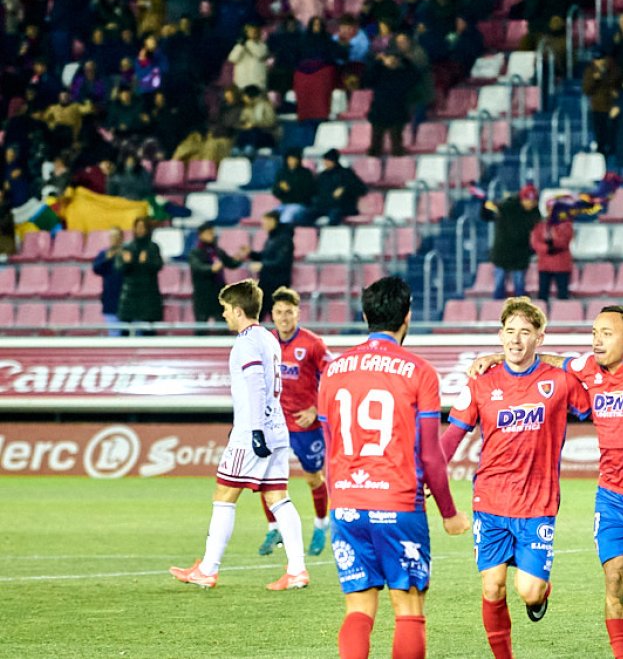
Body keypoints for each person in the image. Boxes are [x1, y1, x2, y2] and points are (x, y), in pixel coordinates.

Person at [469, 285, 623, 658]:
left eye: (606, 333)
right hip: (612, 498)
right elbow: (545, 358)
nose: (596, 340)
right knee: (615, 583)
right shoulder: (588, 371)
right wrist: (497, 358)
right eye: (594, 333)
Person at [317, 275, 470, 659]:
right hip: (398, 503)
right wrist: (449, 513)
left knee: (358, 607)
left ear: (365, 313)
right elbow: (431, 454)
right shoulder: (419, 372)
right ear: (408, 317)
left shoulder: (333, 372)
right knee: (408, 606)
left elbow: (329, 446)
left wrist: (340, 500)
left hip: (347, 503)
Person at [440, 297, 591, 658]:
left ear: (540, 337)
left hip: (537, 504)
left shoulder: (559, 381)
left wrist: (561, 361)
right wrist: (427, 472)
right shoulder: (480, 383)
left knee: (529, 591)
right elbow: (451, 437)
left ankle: (542, 590)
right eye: (510, 332)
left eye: (526, 332)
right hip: (490, 501)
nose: (516, 340)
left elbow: (596, 394)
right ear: (500, 335)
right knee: (492, 587)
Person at [170, 279, 309, 590]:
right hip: (277, 429)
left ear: (237, 310)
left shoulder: (246, 342)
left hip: (254, 432)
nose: (223, 316)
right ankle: (297, 569)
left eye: (224, 310)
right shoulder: (270, 339)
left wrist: (255, 429)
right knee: (279, 498)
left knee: (224, 495)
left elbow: (257, 384)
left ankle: (207, 569)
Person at [257, 287, 333, 557]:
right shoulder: (265, 342)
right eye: (278, 312)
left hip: (305, 424)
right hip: (275, 421)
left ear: (297, 313)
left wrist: (316, 408)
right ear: (272, 315)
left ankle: (321, 524)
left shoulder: (313, 344)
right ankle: (273, 528)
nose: (284, 317)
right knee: (266, 477)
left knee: (313, 477)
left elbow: (332, 375)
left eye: (289, 312)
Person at [482, 184, 541, 300]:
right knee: (499, 284)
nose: (530, 204)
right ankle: (497, 311)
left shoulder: (535, 213)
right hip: (502, 252)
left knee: (519, 285)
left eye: (533, 201)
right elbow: (488, 214)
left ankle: (521, 311)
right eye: (528, 200)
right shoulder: (506, 206)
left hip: (520, 254)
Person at [188, 222, 246, 327]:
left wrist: (240, 257)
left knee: (222, 322)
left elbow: (231, 263)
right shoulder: (195, 252)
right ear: (201, 235)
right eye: (208, 233)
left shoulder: (218, 251)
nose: (211, 235)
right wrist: (211, 269)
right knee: (201, 324)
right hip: (203, 294)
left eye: (212, 233)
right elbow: (197, 267)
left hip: (218, 293)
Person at [116, 217, 164, 333]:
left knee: (149, 329)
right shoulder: (127, 247)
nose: (140, 230)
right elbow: (119, 268)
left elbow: (159, 265)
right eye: (138, 227)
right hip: (130, 293)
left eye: (143, 227)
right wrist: (127, 263)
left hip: (149, 293)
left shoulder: (153, 247)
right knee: (125, 328)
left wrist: (147, 262)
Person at [301, 149, 366, 226]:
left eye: (328, 161)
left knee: (334, 215)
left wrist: (344, 189)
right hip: (324, 206)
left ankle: (330, 235)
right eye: (325, 161)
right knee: (305, 216)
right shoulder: (322, 176)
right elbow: (314, 191)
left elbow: (362, 189)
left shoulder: (346, 173)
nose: (325, 163)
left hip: (342, 206)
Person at [248, 210, 295, 307]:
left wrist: (263, 265)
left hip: (278, 282)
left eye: (265, 222)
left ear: (272, 221)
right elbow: (265, 256)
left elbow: (282, 262)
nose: (263, 225)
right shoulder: (272, 238)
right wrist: (250, 253)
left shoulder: (284, 239)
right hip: (266, 281)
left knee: (274, 313)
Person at [530, 208, 574, 301]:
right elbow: (535, 242)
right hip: (545, 266)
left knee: (562, 295)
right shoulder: (540, 226)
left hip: (561, 266)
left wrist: (551, 243)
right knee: (542, 295)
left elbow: (564, 241)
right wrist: (548, 248)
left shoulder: (566, 225)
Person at [582, 52, 619, 156]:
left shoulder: (612, 69)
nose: (600, 62)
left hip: (611, 108)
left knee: (612, 135)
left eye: (602, 59)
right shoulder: (590, 71)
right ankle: (601, 156)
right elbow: (586, 90)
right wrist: (595, 79)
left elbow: (617, 84)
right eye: (597, 60)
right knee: (600, 135)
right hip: (597, 108)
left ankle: (612, 156)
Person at [91, 227, 125, 336]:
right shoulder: (104, 253)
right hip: (109, 298)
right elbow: (96, 269)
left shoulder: (127, 253)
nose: (114, 239)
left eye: (116, 236)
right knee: (114, 333)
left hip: (126, 299)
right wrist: (108, 259)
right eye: (112, 236)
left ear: (121, 238)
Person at [271, 149, 317, 223]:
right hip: (284, 204)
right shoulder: (281, 173)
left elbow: (309, 192)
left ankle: (285, 234)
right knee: (270, 218)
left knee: (285, 218)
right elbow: (275, 191)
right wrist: (281, 189)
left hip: (300, 204)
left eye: (294, 159)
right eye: (290, 159)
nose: (292, 161)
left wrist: (290, 189)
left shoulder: (306, 173)